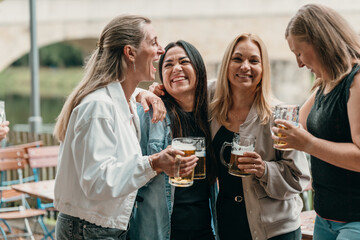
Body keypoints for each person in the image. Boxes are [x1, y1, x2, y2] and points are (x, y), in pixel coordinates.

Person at [52, 15, 198, 240]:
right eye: (153, 42)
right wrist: (154, 162)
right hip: (88, 230)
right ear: (130, 53)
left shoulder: (126, 102)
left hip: (103, 227)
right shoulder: (98, 107)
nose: (161, 50)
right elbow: (97, 182)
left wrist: (142, 93)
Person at [210, 33, 311, 240]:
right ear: (226, 65)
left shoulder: (280, 115)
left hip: (275, 231)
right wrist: (147, 93)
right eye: (237, 59)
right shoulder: (212, 108)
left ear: (263, 68)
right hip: (228, 224)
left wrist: (264, 169)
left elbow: (298, 178)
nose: (245, 66)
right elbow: (182, 86)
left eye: (254, 60)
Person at [272, 4, 360, 239]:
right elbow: (298, 120)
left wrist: (308, 144)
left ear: (319, 41)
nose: (299, 63)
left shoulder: (356, 80)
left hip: (355, 222)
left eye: (299, 53)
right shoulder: (325, 83)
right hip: (325, 219)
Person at [129, 40, 218, 240]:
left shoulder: (213, 114)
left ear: (199, 69)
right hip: (159, 232)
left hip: (206, 231)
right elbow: (129, 168)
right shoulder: (150, 114)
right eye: (168, 65)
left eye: (184, 62)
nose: (176, 68)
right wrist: (141, 92)